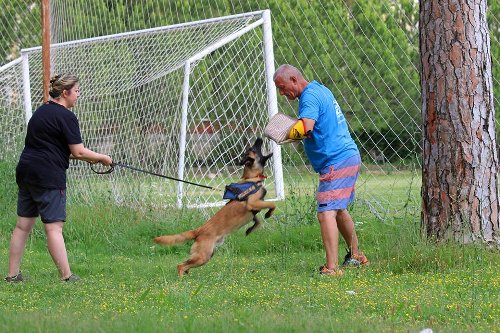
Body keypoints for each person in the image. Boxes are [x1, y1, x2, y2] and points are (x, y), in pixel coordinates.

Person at [5, 74, 113, 282]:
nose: (78, 95)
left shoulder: (41, 112)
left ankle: (12, 275)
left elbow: (60, 150)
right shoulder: (67, 117)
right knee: (54, 228)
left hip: (27, 172)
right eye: (77, 91)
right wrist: (103, 157)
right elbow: (79, 152)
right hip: (48, 175)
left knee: (22, 226)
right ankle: (66, 276)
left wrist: (93, 159)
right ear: (65, 93)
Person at [273, 64, 368, 276]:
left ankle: (332, 269)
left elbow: (306, 128)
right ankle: (356, 256)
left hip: (337, 160)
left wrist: (284, 135)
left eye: (282, 87)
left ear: (294, 80)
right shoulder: (320, 89)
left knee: (326, 212)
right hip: (346, 157)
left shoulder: (309, 97)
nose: (281, 93)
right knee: (339, 209)